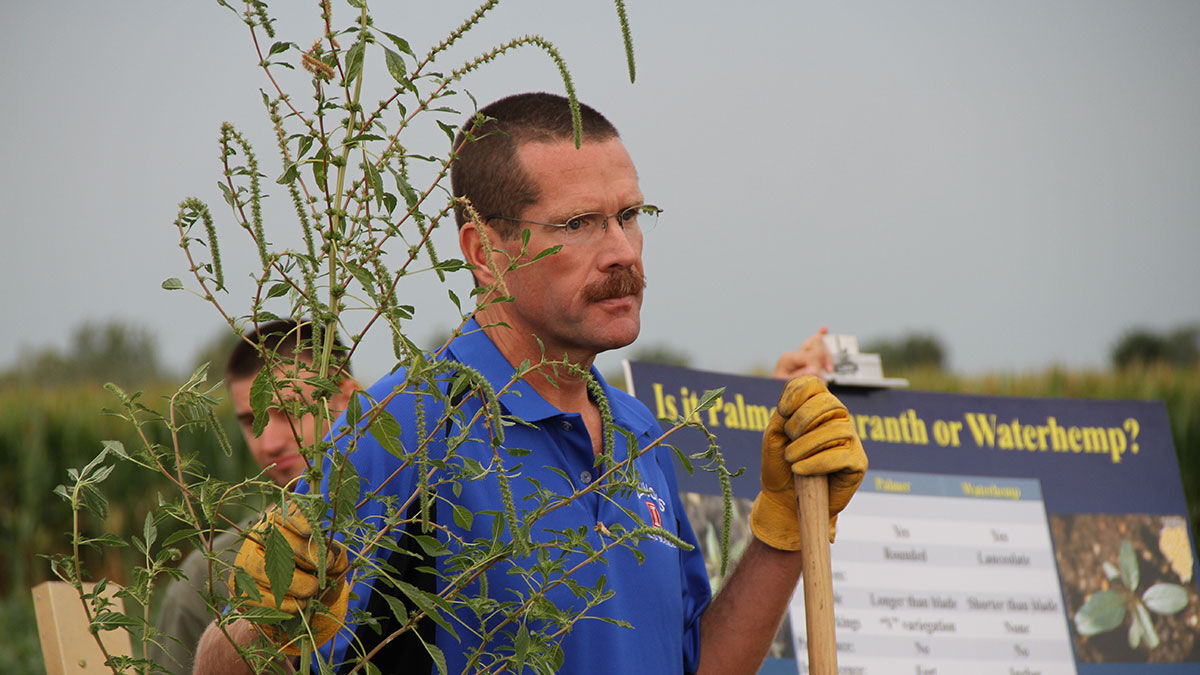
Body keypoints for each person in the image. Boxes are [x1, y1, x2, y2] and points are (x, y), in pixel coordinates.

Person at [195, 93, 866, 674]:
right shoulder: (407, 425)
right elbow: (226, 660)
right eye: (578, 224)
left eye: (630, 216)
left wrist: (782, 533)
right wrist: (258, 627)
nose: (623, 252)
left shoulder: (638, 434)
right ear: (483, 251)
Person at [149, 319, 357, 673]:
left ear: (345, 399)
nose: (270, 442)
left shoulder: (412, 529)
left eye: (289, 411)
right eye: (251, 421)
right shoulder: (208, 577)